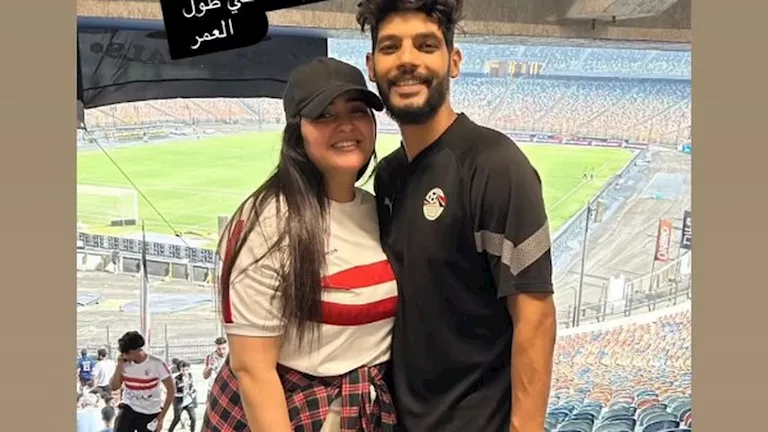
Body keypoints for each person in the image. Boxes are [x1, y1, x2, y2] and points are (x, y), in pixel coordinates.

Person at [356, 1, 558, 431]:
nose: (407, 60)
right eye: (391, 47)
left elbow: (535, 317)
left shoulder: (496, 166)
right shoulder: (388, 175)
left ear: (454, 61)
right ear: (372, 67)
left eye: (426, 45)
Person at [202, 57, 398, 432]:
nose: (345, 125)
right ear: (297, 132)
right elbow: (253, 370)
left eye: (357, 111)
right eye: (324, 115)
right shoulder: (267, 223)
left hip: (361, 413)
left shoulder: (379, 210)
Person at [109, 331, 175, 432]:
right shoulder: (124, 364)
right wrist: (119, 367)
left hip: (150, 411)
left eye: (125, 353)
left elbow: (171, 390)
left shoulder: (157, 364)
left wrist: (161, 417)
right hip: (129, 407)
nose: (123, 355)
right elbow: (114, 387)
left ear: (135, 351)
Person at [168, 361, 197, 432]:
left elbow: (192, 385)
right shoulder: (176, 379)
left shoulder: (190, 375)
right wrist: (183, 393)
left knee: (193, 418)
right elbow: (173, 392)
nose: (185, 372)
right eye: (183, 370)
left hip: (188, 401)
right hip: (179, 402)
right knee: (176, 419)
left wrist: (192, 391)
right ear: (180, 370)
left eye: (186, 370)